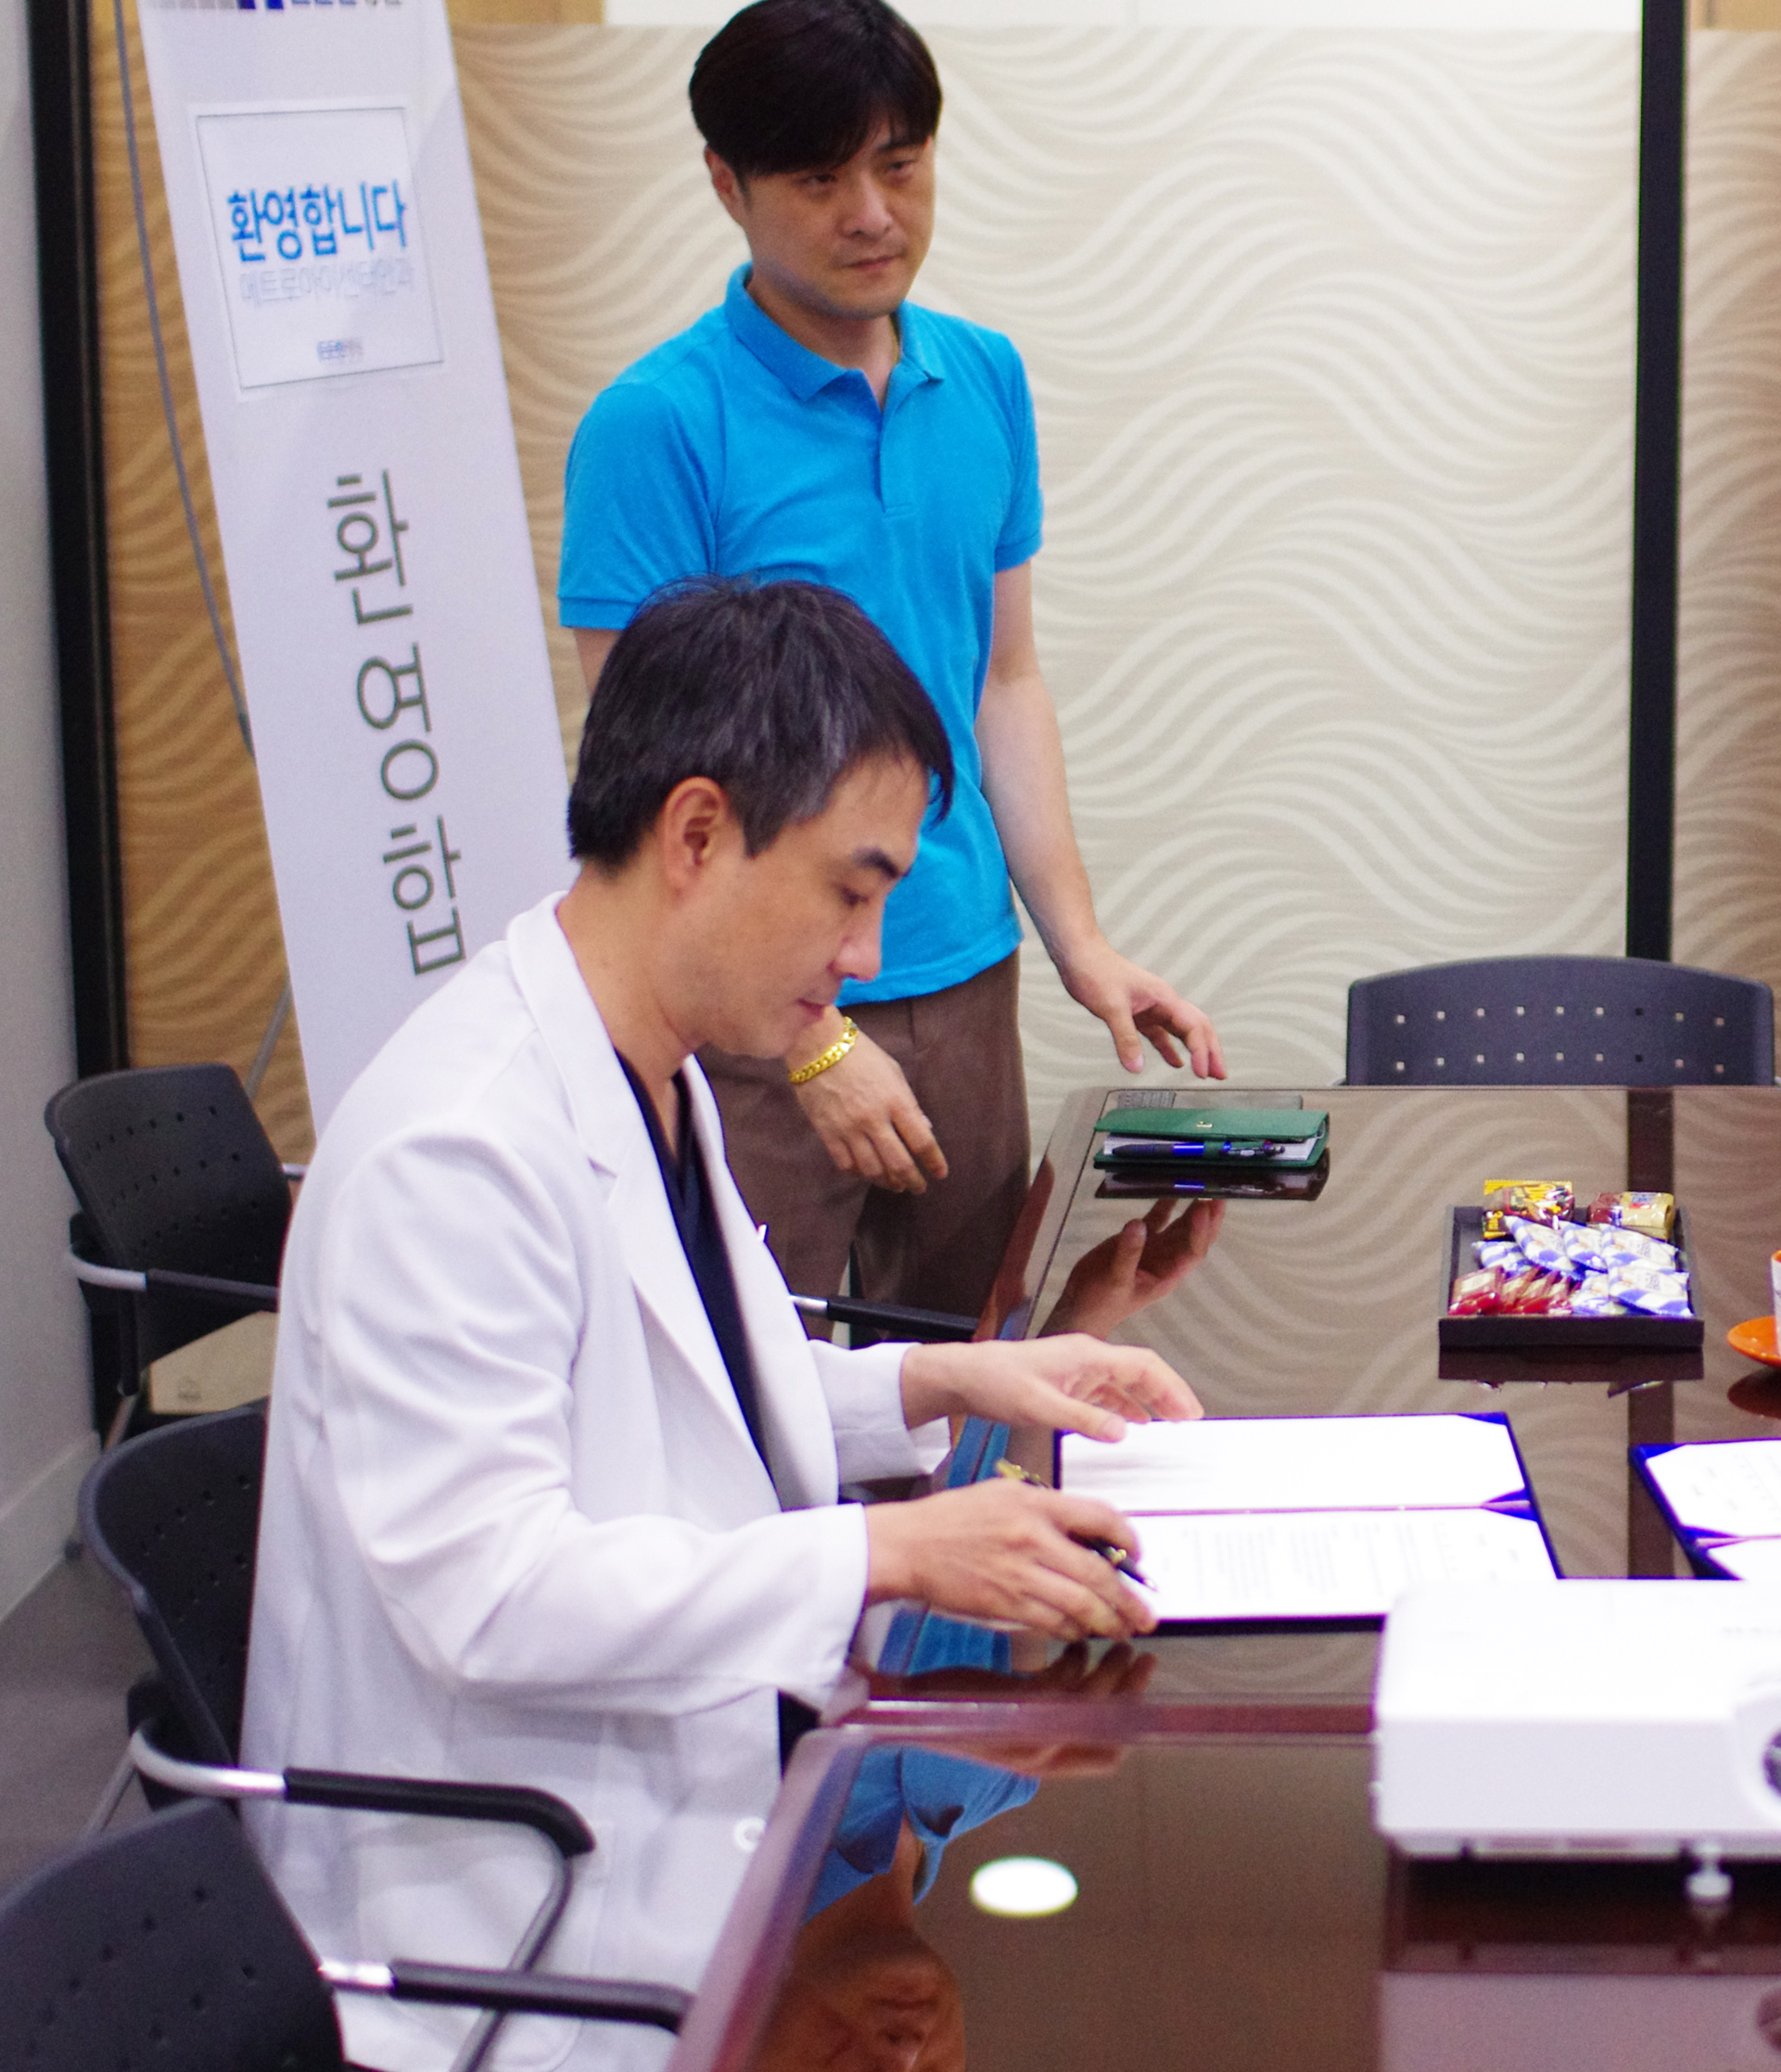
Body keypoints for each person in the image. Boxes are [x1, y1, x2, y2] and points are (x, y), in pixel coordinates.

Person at [242, 578, 1202, 2072]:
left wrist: (954, 1375)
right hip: (521, 1931)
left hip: (686, 1816)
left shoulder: (651, 1062)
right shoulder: (457, 1148)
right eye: (849, 891)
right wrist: (886, 1552)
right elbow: (488, 1594)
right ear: (695, 834)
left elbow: (698, 1392)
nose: (867, 956)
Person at [559, 0, 1221, 1326]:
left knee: (972, 1360)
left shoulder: (983, 378)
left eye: (901, 166)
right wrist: (815, 1046)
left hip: (962, 971)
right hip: (754, 1014)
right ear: (727, 185)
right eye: (820, 180)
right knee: (751, 1386)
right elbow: (656, 793)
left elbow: (1002, 682)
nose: (872, 213)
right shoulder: (657, 424)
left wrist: (1081, 944)